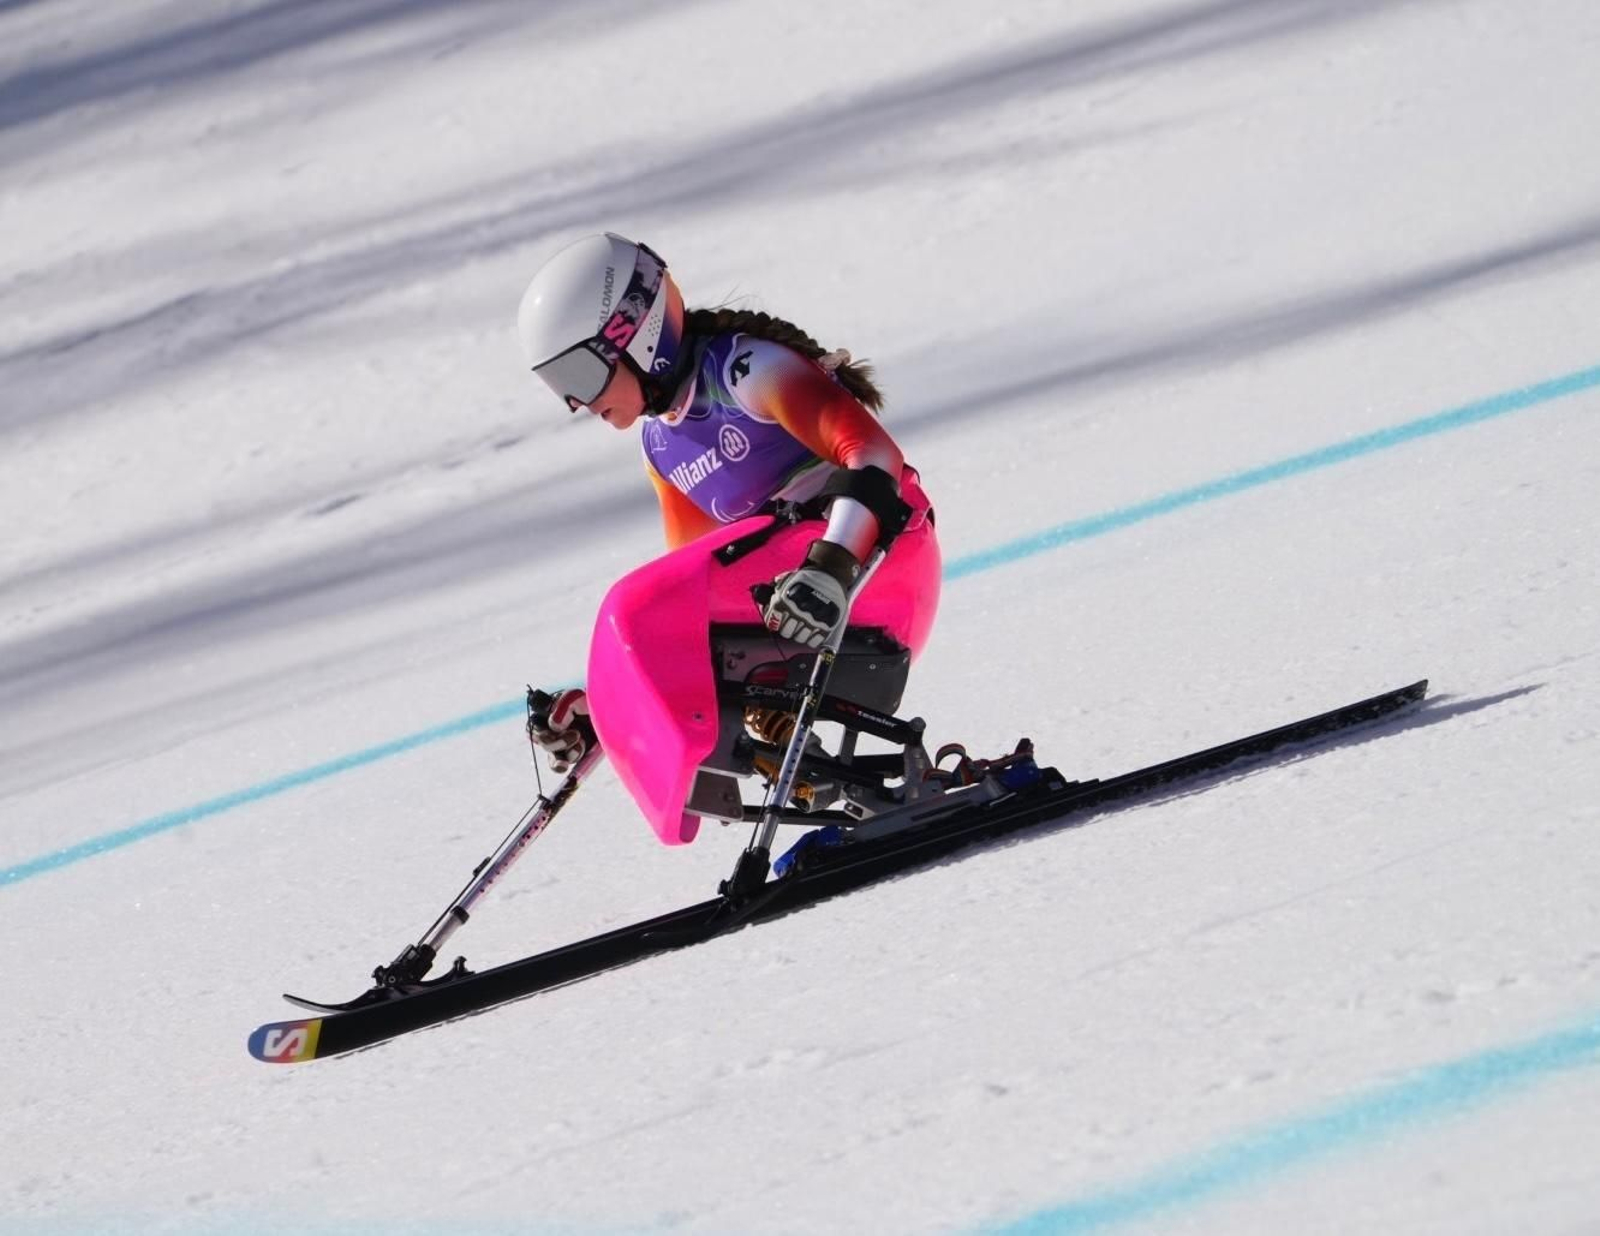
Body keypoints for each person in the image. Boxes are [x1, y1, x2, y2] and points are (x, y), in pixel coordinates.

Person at [516, 233, 937, 779]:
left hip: (878, 570)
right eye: (559, 386)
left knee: (634, 603)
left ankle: (799, 758)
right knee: (658, 608)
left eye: (579, 375)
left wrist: (831, 567)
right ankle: (803, 770)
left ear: (634, 335)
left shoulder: (746, 372)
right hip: (797, 607)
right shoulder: (661, 446)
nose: (577, 403)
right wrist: (610, 704)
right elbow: (689, 592)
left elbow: (876, 455)